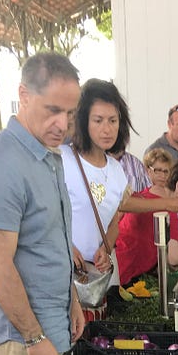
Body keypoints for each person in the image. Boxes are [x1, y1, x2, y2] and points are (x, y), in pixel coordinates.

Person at [0, 52, 85, 355]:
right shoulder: (2, 163)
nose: (62, 123)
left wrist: (73, 300)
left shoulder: (49, 155)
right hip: (25, 338)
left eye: (69, 113)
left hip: (54, 320)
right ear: (23, 94)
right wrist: (34, 337)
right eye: (52, 110)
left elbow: (49, 240)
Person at [61, 79, 130, 320]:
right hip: (65, 280)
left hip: (97, 280)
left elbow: (113, 221)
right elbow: (41, 215)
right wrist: (66, 246)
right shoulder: (62, 160)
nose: (107, 129)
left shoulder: (117, 171)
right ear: (83, 122)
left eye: (113, 120)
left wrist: (106, 247)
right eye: (98, 120)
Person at [114, 161, 178, 288]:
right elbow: (174, 259)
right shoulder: (169, 208)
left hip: (114, 268)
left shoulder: (144, 194)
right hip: (121, 278)